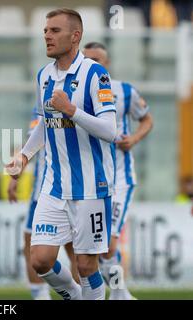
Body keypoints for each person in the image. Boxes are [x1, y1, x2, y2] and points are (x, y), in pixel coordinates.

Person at [6, 8, 117, 300]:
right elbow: (45, 122)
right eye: (45, 31)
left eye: (54, 31)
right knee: (40, 259)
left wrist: (72, 110)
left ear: (75, 36)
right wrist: (25, 156)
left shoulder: (96, 74)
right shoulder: (44, 76)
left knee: (85, 264)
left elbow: (110, 130)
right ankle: (75, 296)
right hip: (54, 186)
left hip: (92, 187)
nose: (47, 36)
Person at [83, 41, 153, 300]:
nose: (92, 63)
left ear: (107, 64)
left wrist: (133, 139)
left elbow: (147, 118)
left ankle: (120, 293)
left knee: (108, 242)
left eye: (97, 59)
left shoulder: (124, 91)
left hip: (120, 178)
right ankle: (115, 293)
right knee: (95, 245)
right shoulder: (77, 93)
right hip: (89, 180)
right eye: (87, 58)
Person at [7, 106, 79, 300]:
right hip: (71, 189)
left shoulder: (44, 104)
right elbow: (33, 142)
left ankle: (46, 296)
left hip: (49, 190)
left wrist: (15, 178)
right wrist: (16, 176)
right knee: (72, 250)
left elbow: (34, 143)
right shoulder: (48, 103)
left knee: (35, 245)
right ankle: (51, 296)